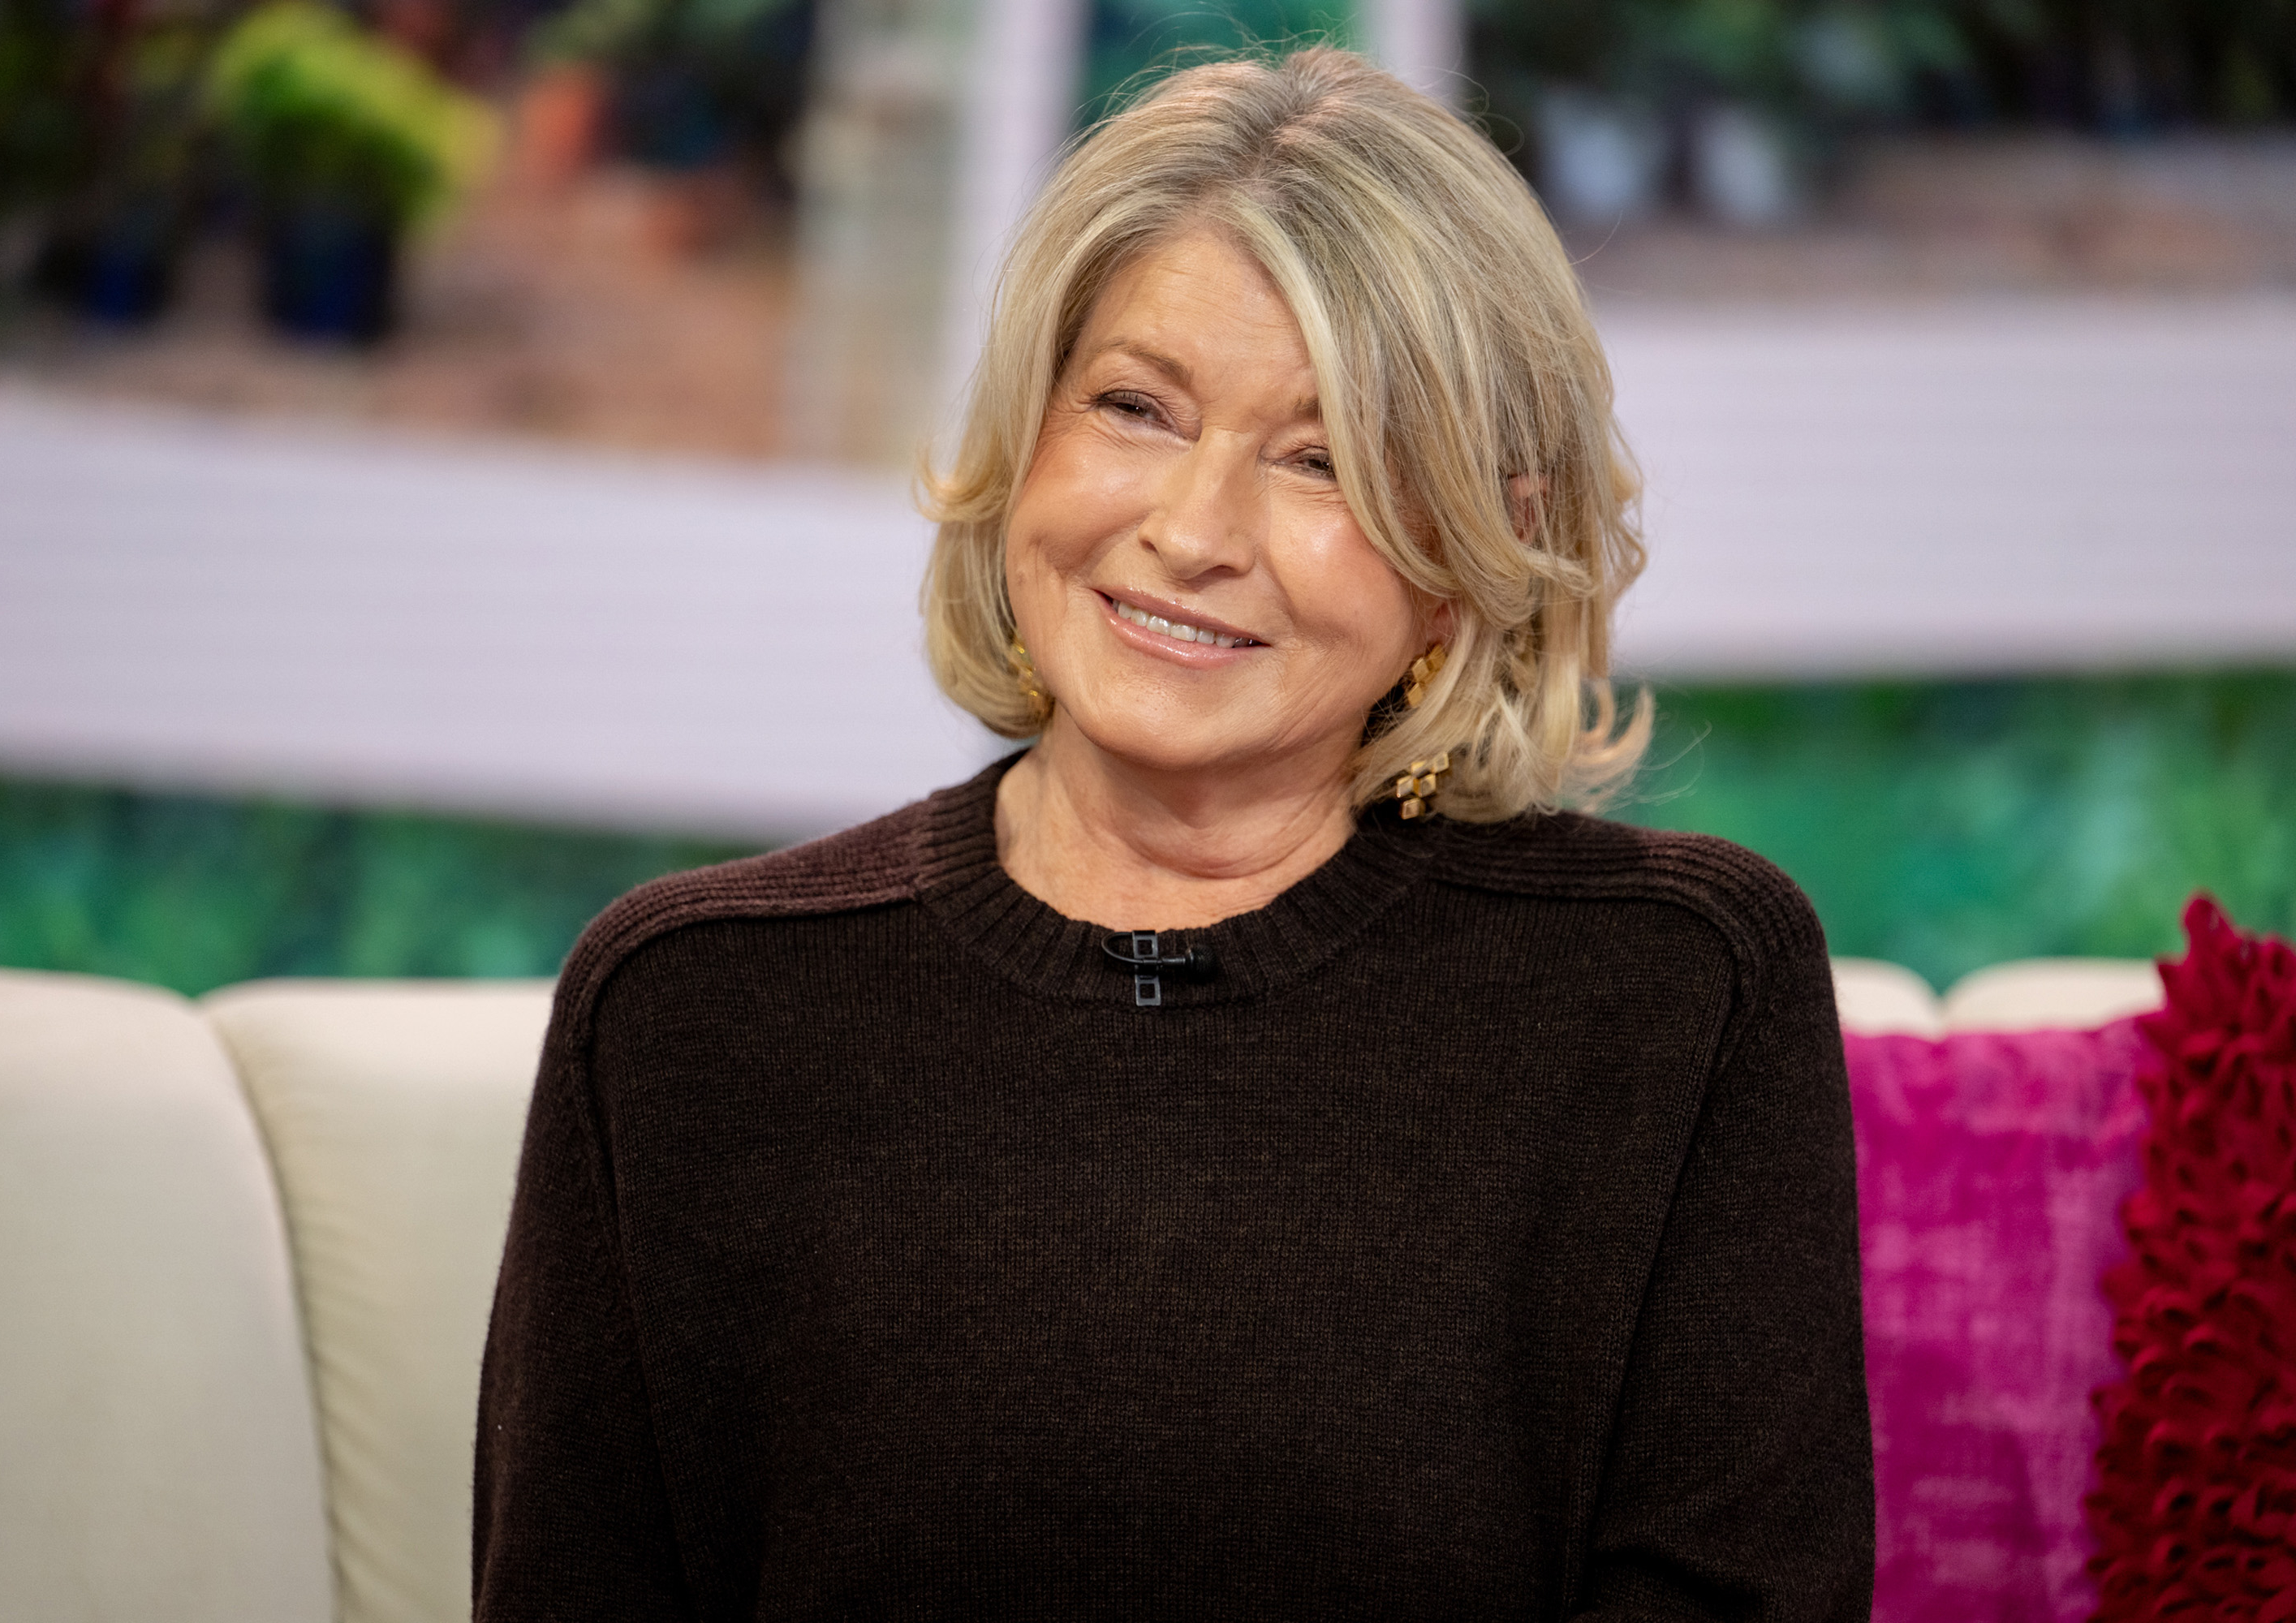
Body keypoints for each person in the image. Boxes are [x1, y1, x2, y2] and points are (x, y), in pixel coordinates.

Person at [475, 46, 1872, 1621]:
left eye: (1323, 454)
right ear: (1028, 445)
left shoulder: (1680, 986)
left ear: (1480, 547)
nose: (1193, 532)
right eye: (1135, 407)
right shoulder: (688, 1008)